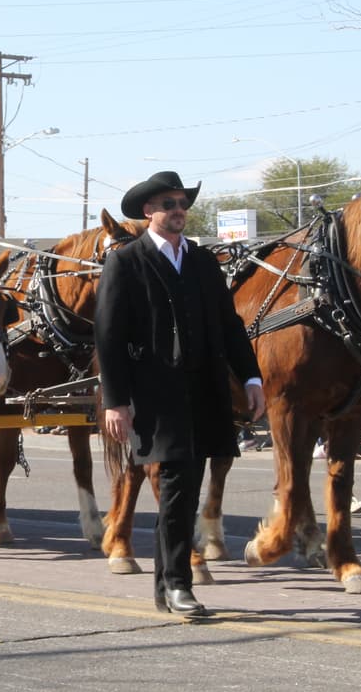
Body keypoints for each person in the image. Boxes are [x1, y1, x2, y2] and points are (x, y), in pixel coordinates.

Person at [95, 170, 265, 618]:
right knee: (175, 489)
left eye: (182, 203)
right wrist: (115, 401)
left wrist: (251, 378)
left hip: (205, 390)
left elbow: (230, 327)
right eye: (168, 204)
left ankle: (167, 587)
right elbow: (108, 338)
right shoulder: (126, 261)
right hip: (155, 394)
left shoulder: (204, 262)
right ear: (149, 211)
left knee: (189, 490)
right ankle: (176, 584)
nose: (177, 211)